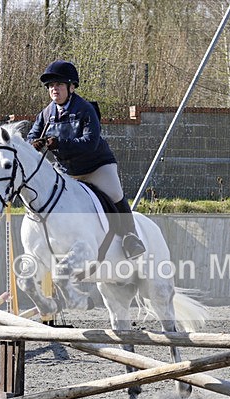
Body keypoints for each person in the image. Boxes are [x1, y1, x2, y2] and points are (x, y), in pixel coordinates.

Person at [27, 60, 146, 260]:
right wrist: (34, 145)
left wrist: (60, 144)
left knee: (115, 193)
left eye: (59, 84)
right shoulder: (46, 114)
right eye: (51, 85)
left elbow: (90, 142)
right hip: (66, 170)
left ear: (71, 87)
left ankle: (130, 237)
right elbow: (31, 137)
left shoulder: (86, 109)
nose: (54, 88)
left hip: (96, 166)